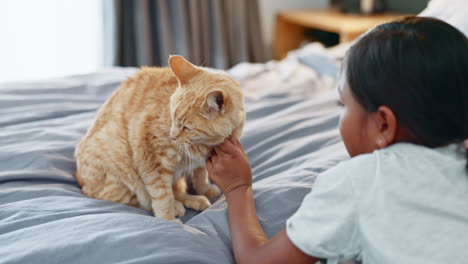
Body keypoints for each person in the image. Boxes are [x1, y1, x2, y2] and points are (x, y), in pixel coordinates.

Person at [206, 17, 468, 264]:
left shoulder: (359, 181)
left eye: (342, 103)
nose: (340, 114)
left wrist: (238, 189)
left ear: (384, 125)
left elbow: (258, 260)